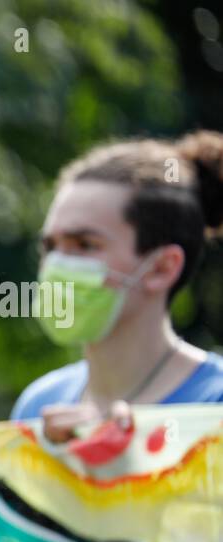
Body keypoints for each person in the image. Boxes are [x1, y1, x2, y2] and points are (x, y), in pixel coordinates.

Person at [11, 131, 223, 437]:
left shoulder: (213, 405)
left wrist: (124, 465)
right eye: (50, 247)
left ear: (162, 268)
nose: (57, 265)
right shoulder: (37, 405)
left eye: (85, 244)